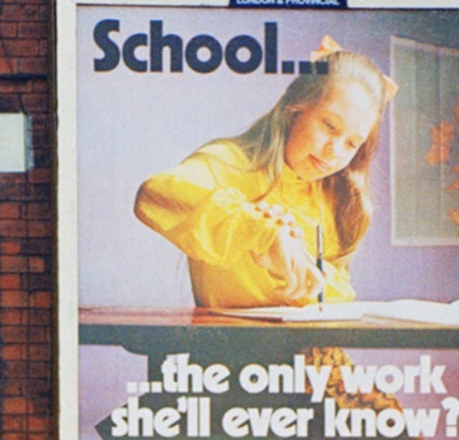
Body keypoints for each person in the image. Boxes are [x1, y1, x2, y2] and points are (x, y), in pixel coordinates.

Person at [132, 42, 395, 308]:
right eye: (329, 126)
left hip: (318, 349)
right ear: (295, 108)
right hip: (228, 348)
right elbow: (155, 193)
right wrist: (262, 232)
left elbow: (339, 293)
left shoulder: (336, 196)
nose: (333, 151)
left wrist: (305, 277)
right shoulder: (231, 162)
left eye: (352, 143)